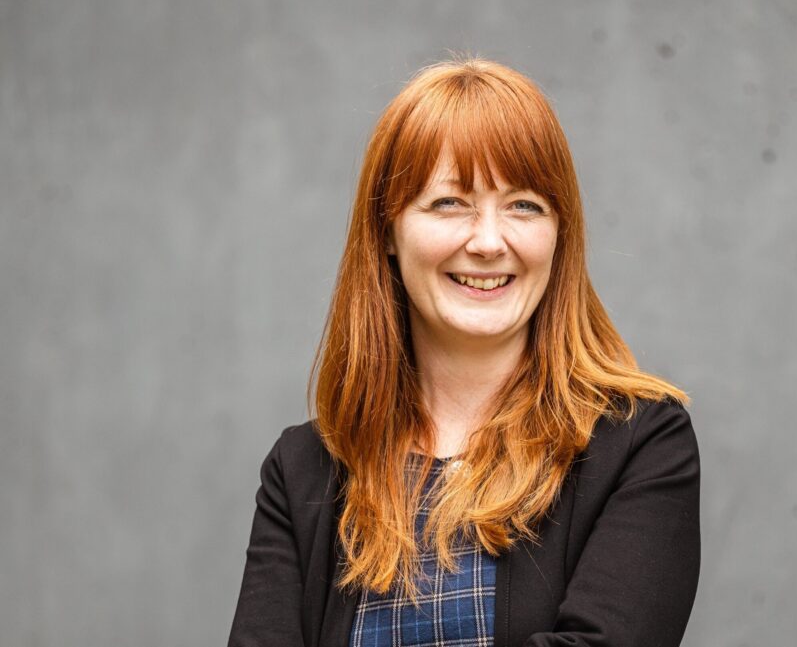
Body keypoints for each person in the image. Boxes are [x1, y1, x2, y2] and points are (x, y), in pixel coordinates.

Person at [228, 56, 700, 647]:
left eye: (524, 205)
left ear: (560, 234)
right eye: (449, 203)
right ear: (388, 231)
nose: (489, 241)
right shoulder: (303, 469)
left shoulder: (639, 443)